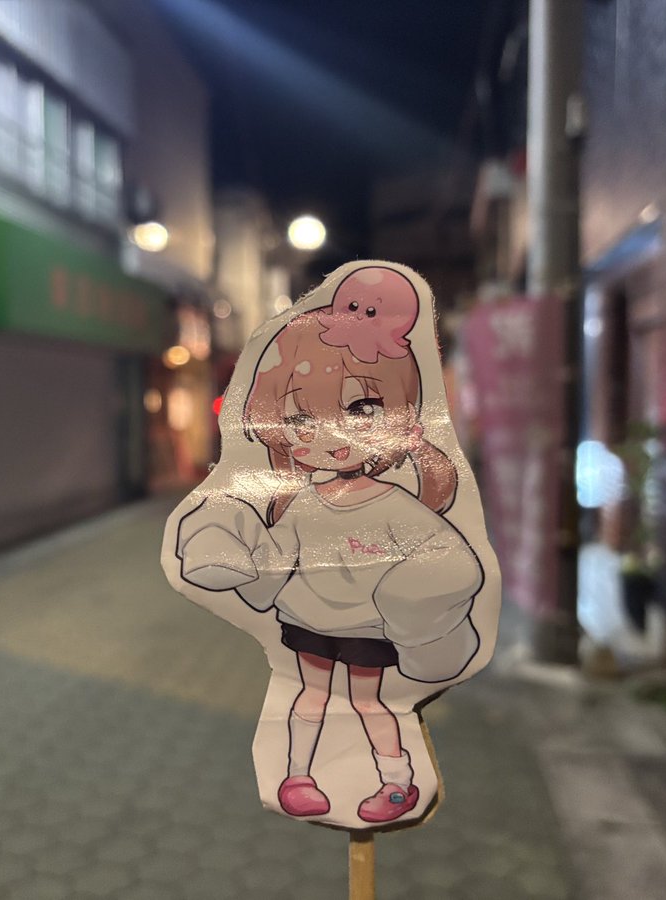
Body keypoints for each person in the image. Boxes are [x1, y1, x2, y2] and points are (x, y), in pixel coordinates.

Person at [176, 266, 482, 824]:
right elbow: (274, 561)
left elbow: (447, 563)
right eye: (299, 417)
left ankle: (396, 782)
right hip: (307, 621)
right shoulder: (301, 505)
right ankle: (298, 776)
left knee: (368, 701)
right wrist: (228, 556)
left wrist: (413, 601)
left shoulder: (397, 508)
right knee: (308, 695)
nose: (327, 435)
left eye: (361, 410)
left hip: (367, 627)